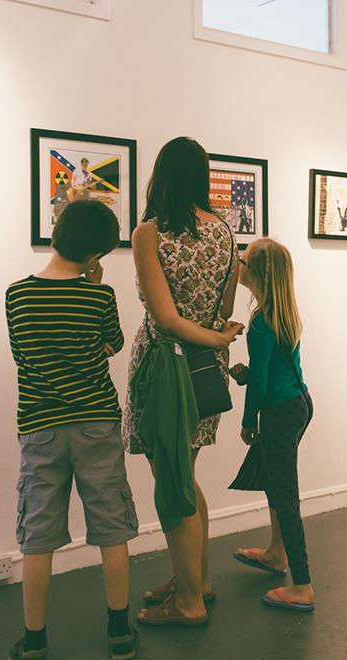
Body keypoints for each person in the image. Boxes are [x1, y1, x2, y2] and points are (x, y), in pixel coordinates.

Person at [4, 199, 138, 660]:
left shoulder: (17, 295)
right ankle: (119, 633)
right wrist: (95, 287)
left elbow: (22, 354)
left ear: (57, 234)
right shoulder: (99, 297)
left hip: (40, 426)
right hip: (96, 422)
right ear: (96, 254)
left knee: (37, 538)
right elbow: (112, 344)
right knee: (111, 529)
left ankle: (34, 644)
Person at [125, 137, 242, 626]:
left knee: (173, 483)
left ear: (161, 175)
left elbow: (166, 318)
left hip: (166, 368)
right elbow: (226, 307)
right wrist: (217, 340)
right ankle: (198, 580)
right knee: (186, 476)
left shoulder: (149, 233)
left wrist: (212, 339)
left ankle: (189, 602)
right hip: (205, 369)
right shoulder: (225, 232)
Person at [229, 238, 316, 612]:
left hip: (279, 411)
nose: (239, 263)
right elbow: (271, 370)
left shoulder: (261, 323)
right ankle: (276, 553)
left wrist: (248, 421)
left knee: (285, 495)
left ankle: (302, 586)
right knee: (273, 481)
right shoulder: (281, 314)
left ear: (257, 274)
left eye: (244, 260)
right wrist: (247, 375)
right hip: (298, 403)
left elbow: (263, 383)